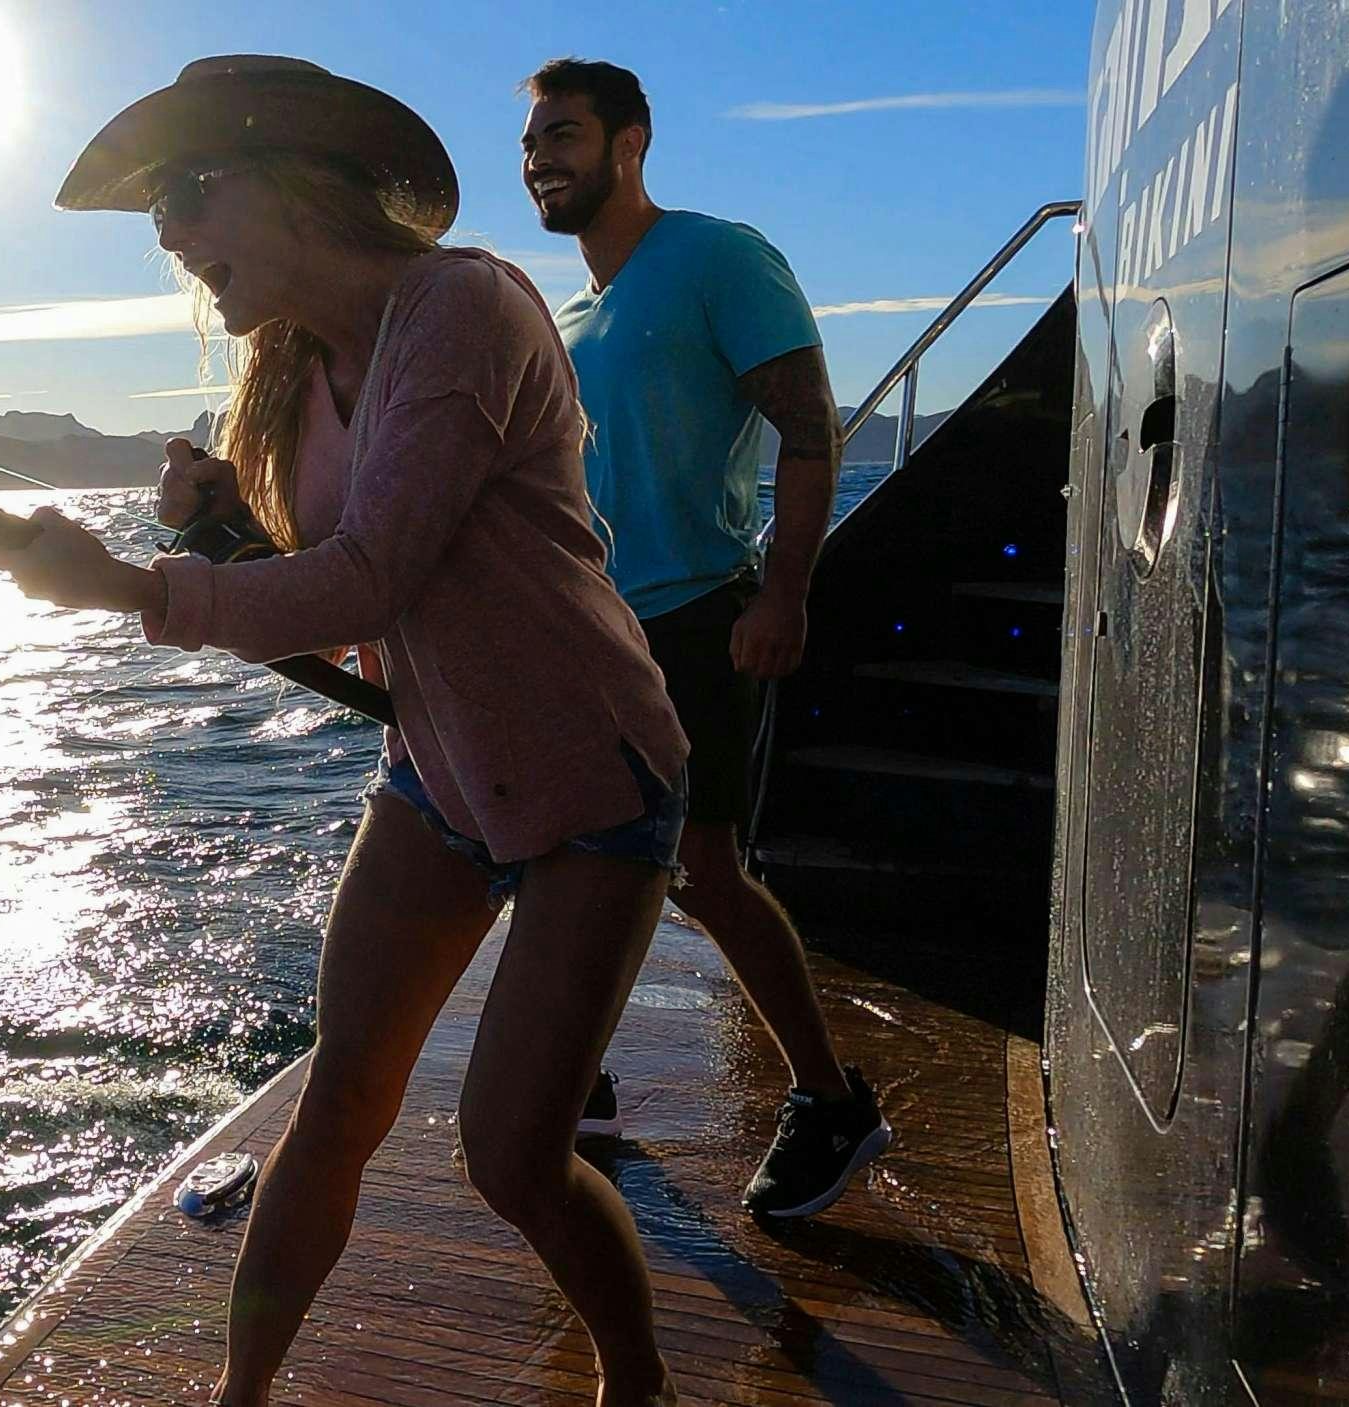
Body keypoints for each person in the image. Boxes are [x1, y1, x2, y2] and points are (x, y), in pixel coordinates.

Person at [0, 55, 691, 1407]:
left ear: (294, 183)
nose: (170, 237)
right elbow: (349, 612)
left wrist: (137, 587)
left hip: (593, 772)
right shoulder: (298, 377)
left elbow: (375, 572)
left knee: (509, 1154)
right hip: (435, 775)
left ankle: (638, 1379)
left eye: (190, 193)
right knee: (337, 1109)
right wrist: (215, 534)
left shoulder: (465, 306)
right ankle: (239, 1397)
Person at [518, 58, 891, 1218]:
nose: (541, 159)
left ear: (630, 144)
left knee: (711, 876)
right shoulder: (570, 313)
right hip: (594, 630)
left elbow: (809, 429)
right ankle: (579, 1082)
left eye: (565, 135)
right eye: (531, 143)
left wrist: (784, 594)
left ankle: (831, 1099)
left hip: (698, 617)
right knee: (564, 856)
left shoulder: (716, 257)